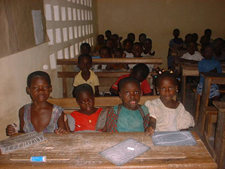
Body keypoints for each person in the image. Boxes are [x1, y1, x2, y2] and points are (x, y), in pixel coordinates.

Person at [6, 71, 67, 136]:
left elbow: (63, 135)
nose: (41, 91)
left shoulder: (57, 112)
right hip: (31, 146)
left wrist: (62, 132)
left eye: (45, 87)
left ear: (50, 88)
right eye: (36, 87)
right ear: (28, 90)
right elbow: (23, 134)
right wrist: (14, 131)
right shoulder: (24, 111)